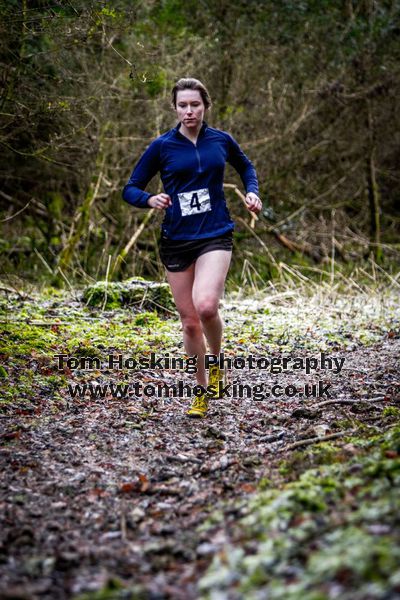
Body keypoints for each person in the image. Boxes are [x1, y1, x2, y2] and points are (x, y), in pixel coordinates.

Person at [122, 77, 262, 418]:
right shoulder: (162, 147)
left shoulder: (221, 141)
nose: (189, 111)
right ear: (175, 108)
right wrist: (149, 198)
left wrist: (253, 191)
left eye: (195, 105)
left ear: (205, 106)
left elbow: (246, 167)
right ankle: (200, 392)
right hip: (176, 239)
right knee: (189, 323)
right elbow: (130, 188)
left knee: (207, 306)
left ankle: (217, 361)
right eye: (183, 105)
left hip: (215, 233)